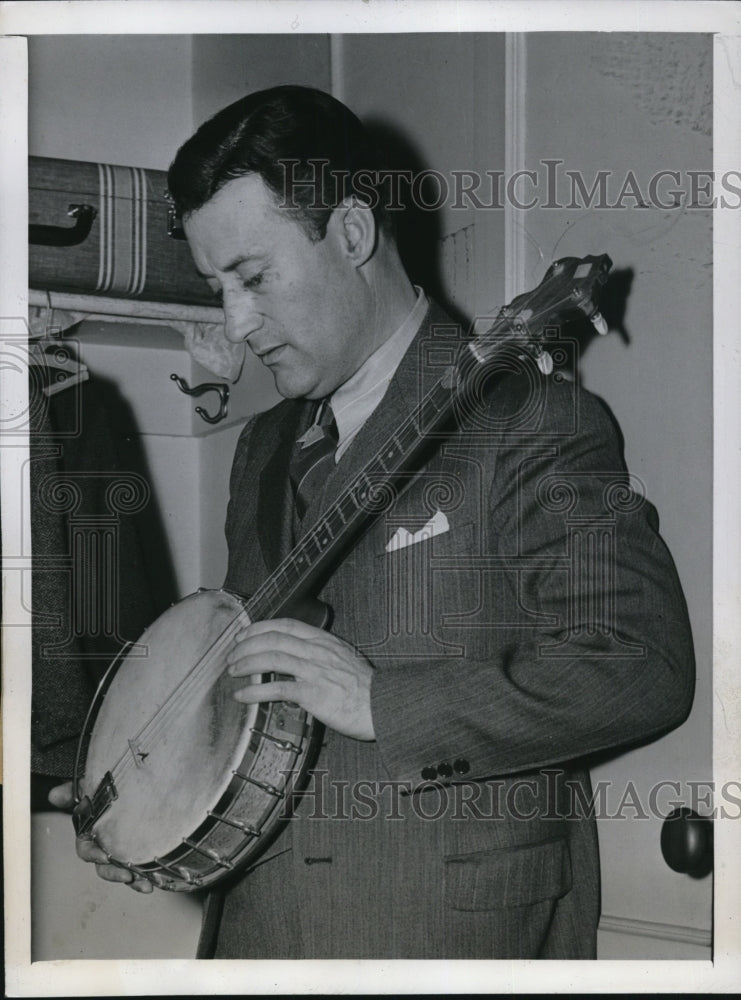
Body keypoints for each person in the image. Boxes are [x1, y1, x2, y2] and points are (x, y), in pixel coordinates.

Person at [51, 85, 695, 959]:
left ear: (351, 233)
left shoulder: (532, 422)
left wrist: (383, 704)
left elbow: (640, 667)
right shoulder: (261, 449)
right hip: (256, 939)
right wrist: (156, 815)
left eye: (252, 277)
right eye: (216, 288)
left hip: (445, 937)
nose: (236, 325)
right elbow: (252, 714)